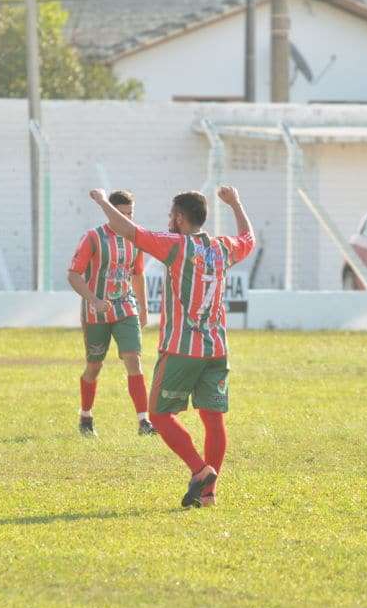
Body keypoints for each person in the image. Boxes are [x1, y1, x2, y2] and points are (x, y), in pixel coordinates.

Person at [89, 185, 255, 508]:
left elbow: (129, 230)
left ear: (179, 218)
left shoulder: (177, 247)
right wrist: (236, 203)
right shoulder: (222, 248)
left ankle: (200, 471)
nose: (168, 220)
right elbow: (248, 238)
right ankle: (208, 495)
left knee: (159, 415)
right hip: (217, 349)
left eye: (170, 215)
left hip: (181, 349)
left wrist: (102, 202)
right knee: (213, 419)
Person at [67, 190, 155, 438]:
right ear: (111, 213)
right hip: (96, 312)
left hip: (125, 306)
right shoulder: (93, 238)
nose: (127, 219)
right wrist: (94, 299)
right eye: (122, 214)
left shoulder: (136, 239)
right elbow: (73, 274)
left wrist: (144, 308)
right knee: (94, 366)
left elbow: (137, 274)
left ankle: (143, 422)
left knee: (134, 360)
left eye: (130, 214)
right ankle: (86, 415)